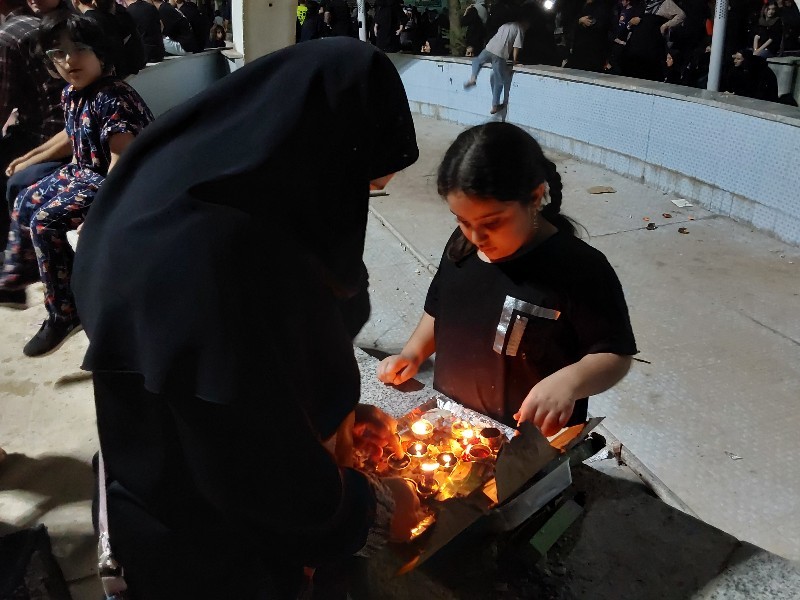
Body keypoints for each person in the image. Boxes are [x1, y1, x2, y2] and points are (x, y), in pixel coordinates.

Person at [71, 37, 421, 598]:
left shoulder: (171, 184)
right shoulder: (211, 260)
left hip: (149, 473)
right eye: (359, 186)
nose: (353, 206)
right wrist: (369, 506)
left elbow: (255, 362)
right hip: (202, 547)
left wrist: (334, 412)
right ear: (322, 156)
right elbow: (251, 458)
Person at [378, 122, 637, 436]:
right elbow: (438, 310)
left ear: (535, 196)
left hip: (528, 441)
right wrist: (412, 353)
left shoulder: (580, 268)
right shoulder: (463, 248)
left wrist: (569, 382)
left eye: (492, 222)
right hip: (454, 426)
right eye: (462, 220)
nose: (476, 235)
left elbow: (614, 353)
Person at [0, 12, 153, 356]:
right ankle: (17, 280)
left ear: (101, 52)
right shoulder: (74, 93)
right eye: (58, 53)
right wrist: (31, 158)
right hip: (82, 171)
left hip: (112, 181)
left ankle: (64, 312)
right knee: (25, 197)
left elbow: (121, 161)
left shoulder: (113, 96)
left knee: (45, 222)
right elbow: (72, 133)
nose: (69, 60)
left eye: (79, 48)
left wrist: (99, 213)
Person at [0, 0, 64, 273]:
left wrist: (27, 160)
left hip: (50, 136)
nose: (67, 60)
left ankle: (13, 263)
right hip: (55, 135)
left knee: (12, 175)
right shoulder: (43, 26)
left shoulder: (9, 35)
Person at [463, 19, 528, 114]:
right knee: (499, 80)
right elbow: (516, 46)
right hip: (500, 53)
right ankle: (495, 106)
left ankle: (473, 78)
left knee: (477, 61)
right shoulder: (519, 29)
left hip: (489, 47)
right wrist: (514, 61)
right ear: (524, 23)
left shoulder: (505, 25)